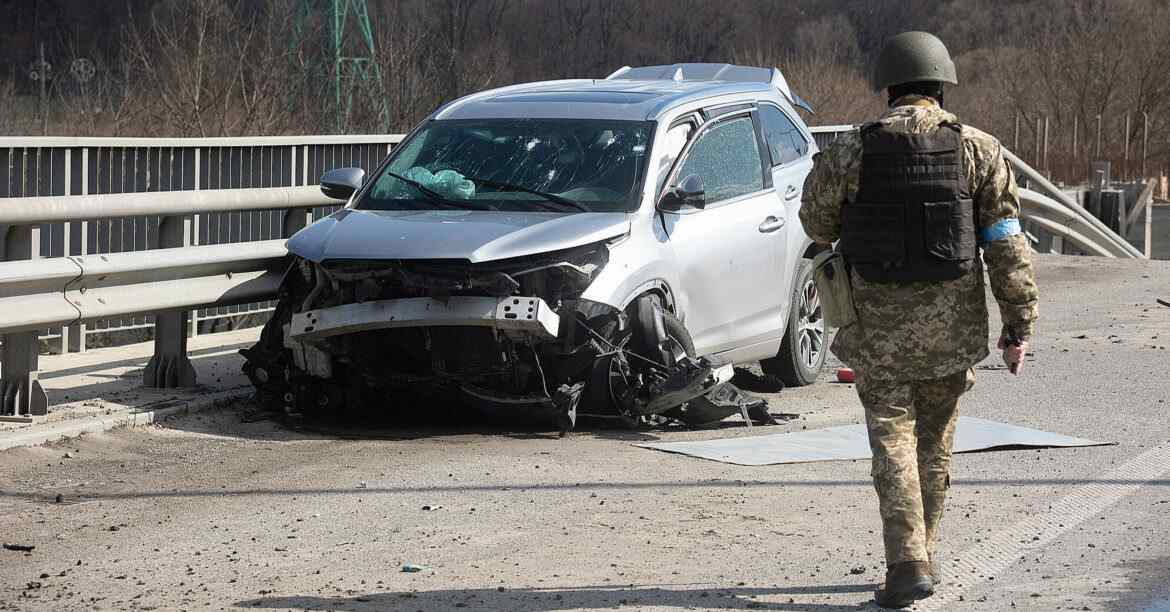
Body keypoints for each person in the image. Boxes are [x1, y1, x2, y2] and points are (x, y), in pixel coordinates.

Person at [798, 31, 1039, 608]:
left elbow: (815, 224)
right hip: (951, 333)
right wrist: (1018, 325)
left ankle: (908, 564)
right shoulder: (979, 149)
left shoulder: (852, 150)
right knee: (933, 448)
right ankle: (920, 556)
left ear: (889, 86)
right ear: (941, 83)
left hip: (877, 332)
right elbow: (1007, 243)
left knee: (893, 445)